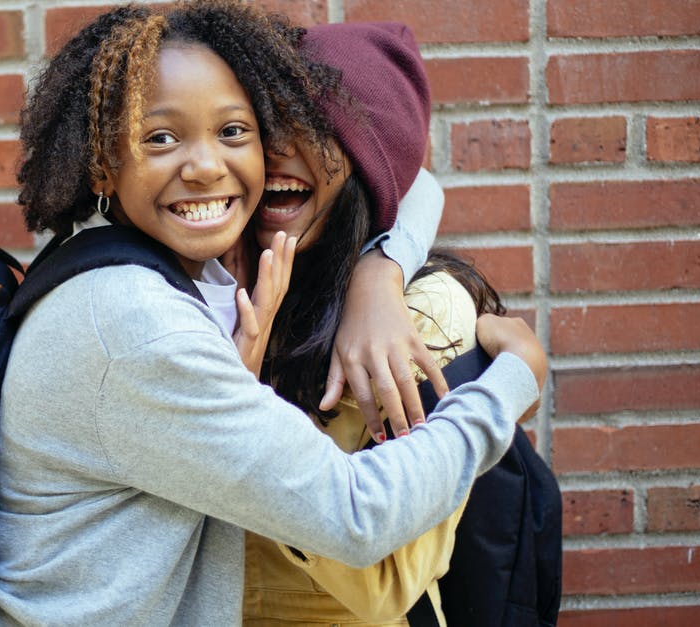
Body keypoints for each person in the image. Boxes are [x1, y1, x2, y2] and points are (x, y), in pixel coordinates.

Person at [0, 2, 546, 624]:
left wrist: (378, 271)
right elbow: (355, 514)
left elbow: (386, 582)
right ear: (104, 164)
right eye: (161, 137)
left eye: (232, 131)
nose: (263, 155)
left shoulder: (397, 306)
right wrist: (514, 380)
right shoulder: (152, 314)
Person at [240, 22, 505, 625]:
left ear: (368, 158)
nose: (276, 146)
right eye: (258, 122)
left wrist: (245, 410)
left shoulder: (420, 317)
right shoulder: (221, 281)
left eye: (311, 126)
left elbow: (386, 578)